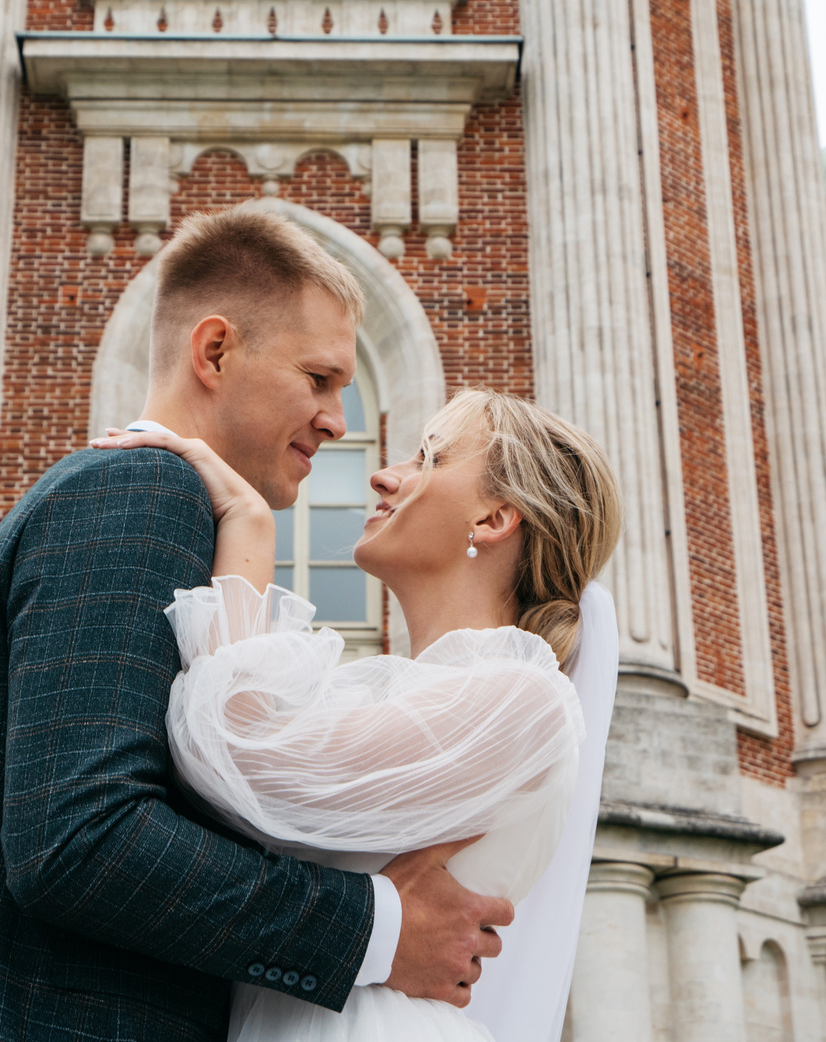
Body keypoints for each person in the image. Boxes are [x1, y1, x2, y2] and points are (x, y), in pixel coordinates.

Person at [0, 207, 518, 1042]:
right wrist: (376, 929)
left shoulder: (166, 502)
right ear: (214, 352)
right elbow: (80, 839)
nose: (338, 422)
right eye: (319, 379)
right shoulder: (143, 493)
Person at [104, 386, 621, 1042]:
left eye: (428, 458)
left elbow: (238, 750)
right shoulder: (405, 697)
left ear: (493, 518)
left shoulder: (521, 701)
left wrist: (247, 523)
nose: (384, 473)